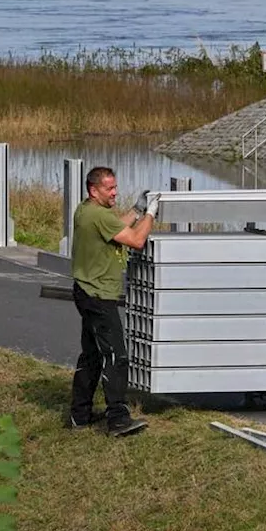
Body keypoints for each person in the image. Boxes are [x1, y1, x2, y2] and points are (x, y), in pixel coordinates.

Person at [66, 166, 158, 437]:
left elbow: (116, 226)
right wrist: (151, 214)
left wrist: (137, 210)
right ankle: (118, 420)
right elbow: (137, 240)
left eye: (116, 187)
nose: (115, 192)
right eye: (109, 188)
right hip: (99, 297)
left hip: (85, 290)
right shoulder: (98, 215)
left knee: (92, 355)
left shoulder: (86, 210)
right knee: (116, 356)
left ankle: (79, 416)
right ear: (94, 190)